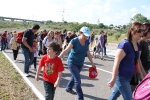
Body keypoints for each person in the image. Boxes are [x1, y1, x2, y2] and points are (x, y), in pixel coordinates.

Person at [107, 22, 144, 100]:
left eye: (143, 31)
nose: (142, 33)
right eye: (139, 31)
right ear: (132, 31)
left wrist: (141, 74)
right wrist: (113, 79)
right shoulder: (125, 44)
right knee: (129, 98)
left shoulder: (137, 44)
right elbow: (116, 63)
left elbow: (137, 60)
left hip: (129, 77)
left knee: (114, 95)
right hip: (121, 77)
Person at [59, 26, 95, 100]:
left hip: (80, 63)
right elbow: (66, 51)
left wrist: (92, 63)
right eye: (85, 35)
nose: (86, 37)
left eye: (87, 35)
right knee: (78, 81)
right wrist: (57, 58)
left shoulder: (87, 41)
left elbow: (88, 52)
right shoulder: (74, 41)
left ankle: (68, 88)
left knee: (74, 76)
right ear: (80, 33)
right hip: (72, 62)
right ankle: (80, 98)